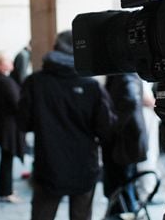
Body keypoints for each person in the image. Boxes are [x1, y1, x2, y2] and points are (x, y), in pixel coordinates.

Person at [18, 30, 116, 220]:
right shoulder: (91, 85)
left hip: (48, 164)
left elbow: (23, 122)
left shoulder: (35, 82)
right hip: (84, 165)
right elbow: (106, 128)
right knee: (81, 216)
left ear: (55, 48)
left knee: (42, 215)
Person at [103, 73, 149, 216]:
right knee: (124, 186)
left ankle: (125, 215)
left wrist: (113, 126)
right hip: (126, 142)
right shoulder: (125, 74)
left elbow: (130, 100)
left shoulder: (124, 75)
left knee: (122, 187)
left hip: (124, 143)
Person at [0, 51, 26, 203]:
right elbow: (17, 103)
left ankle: (5, 189)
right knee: (7, 159)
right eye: (8, 61)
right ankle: (6, 191)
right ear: (0, 64)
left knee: (6, 158)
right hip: (7, 127)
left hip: (2, 125)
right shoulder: (3, 81)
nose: (11, 63)